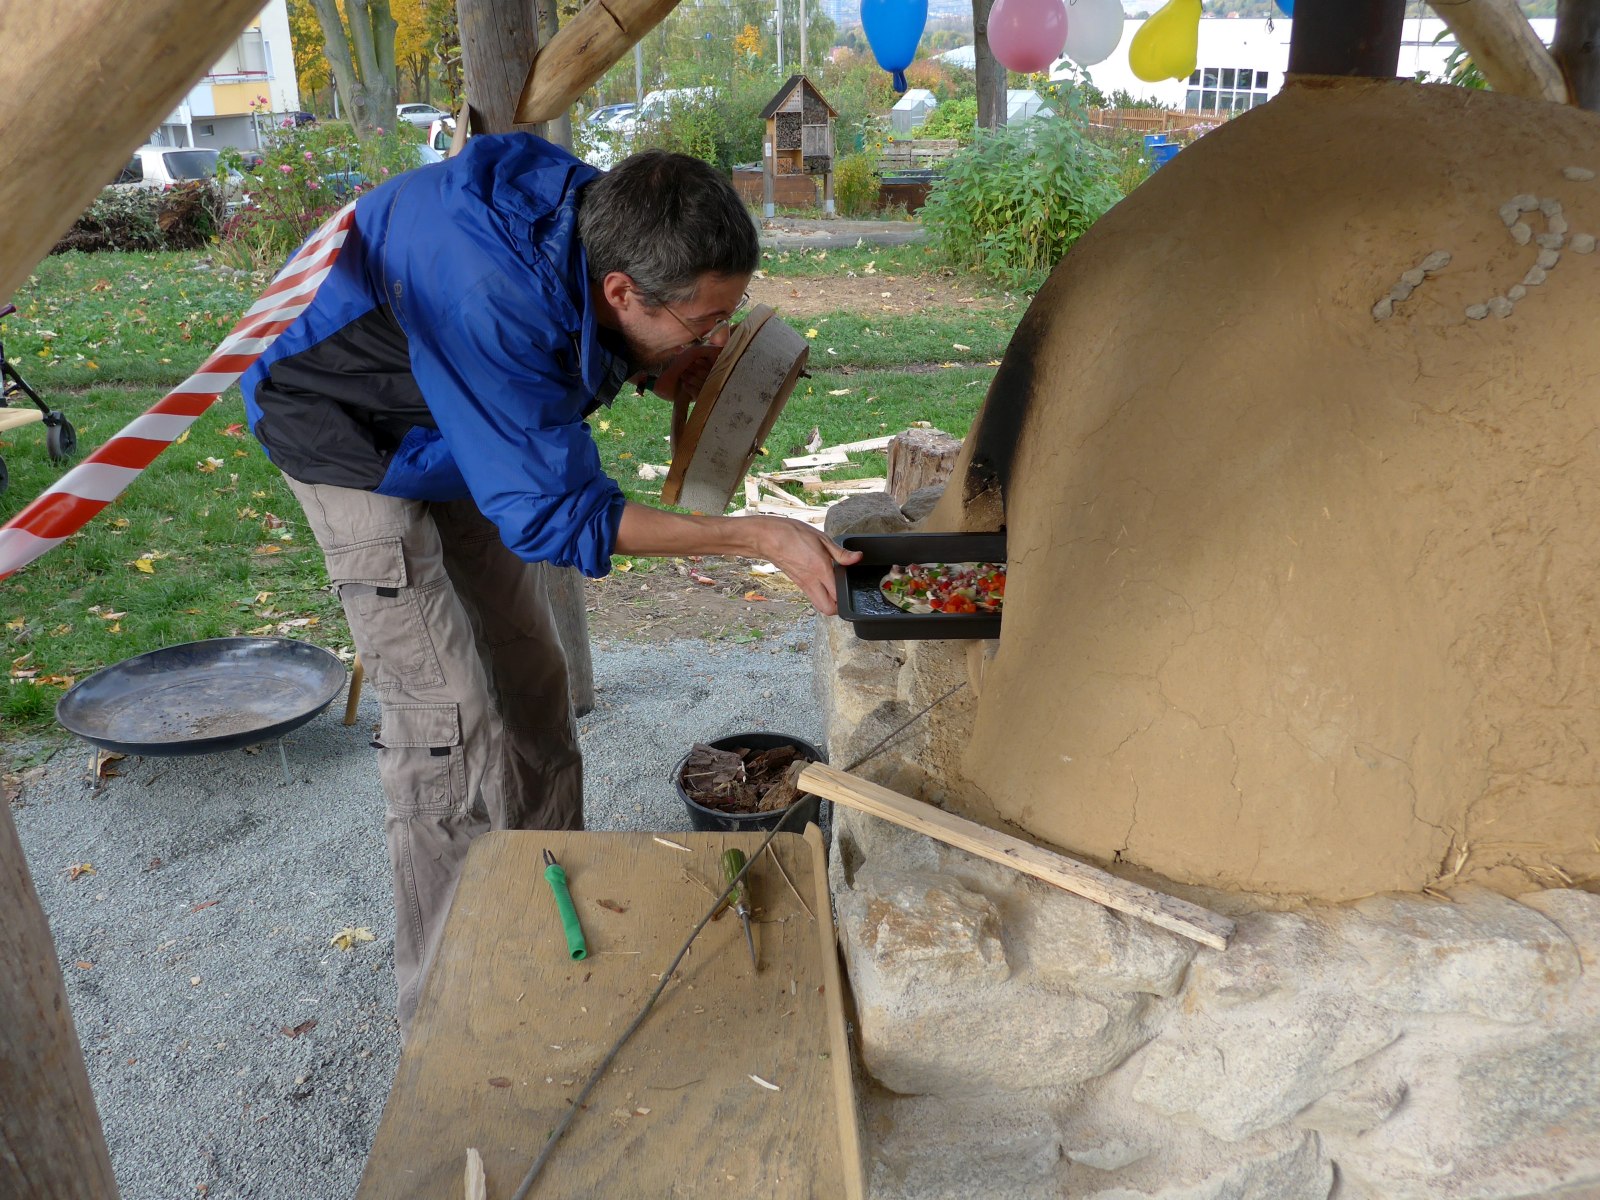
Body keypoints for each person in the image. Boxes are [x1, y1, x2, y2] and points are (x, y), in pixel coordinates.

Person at [241, 136, 859, 1029]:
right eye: (701, 325)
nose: (717, 340)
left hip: (450, 421)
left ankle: (545, 891)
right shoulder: (494, 297)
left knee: (533, 676)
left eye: (729, 317)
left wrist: (653, 358)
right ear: (624, 292)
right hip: (340, 427)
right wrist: (753, 534)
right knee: (448, 721)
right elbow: (555, 515)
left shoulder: (597, 228)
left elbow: (561, 363)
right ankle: (453, 1011)